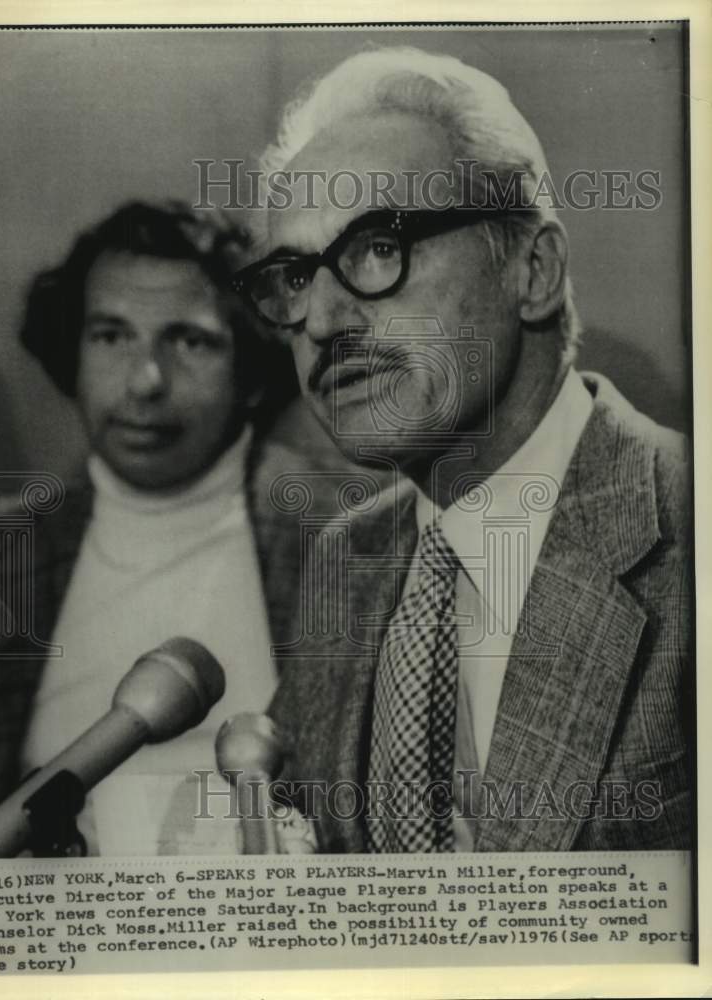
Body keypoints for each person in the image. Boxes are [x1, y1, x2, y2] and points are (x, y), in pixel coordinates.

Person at [235, 47, 693, 852]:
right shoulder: (346, 557)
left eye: (377, 248)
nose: (319, 321)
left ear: (533, 272)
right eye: (297, 277)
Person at [0, 200, 319, 855]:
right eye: (112, 336)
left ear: (254, 370)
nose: (145, 381)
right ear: (72, 351)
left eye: (189, 340)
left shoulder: (353, 537)